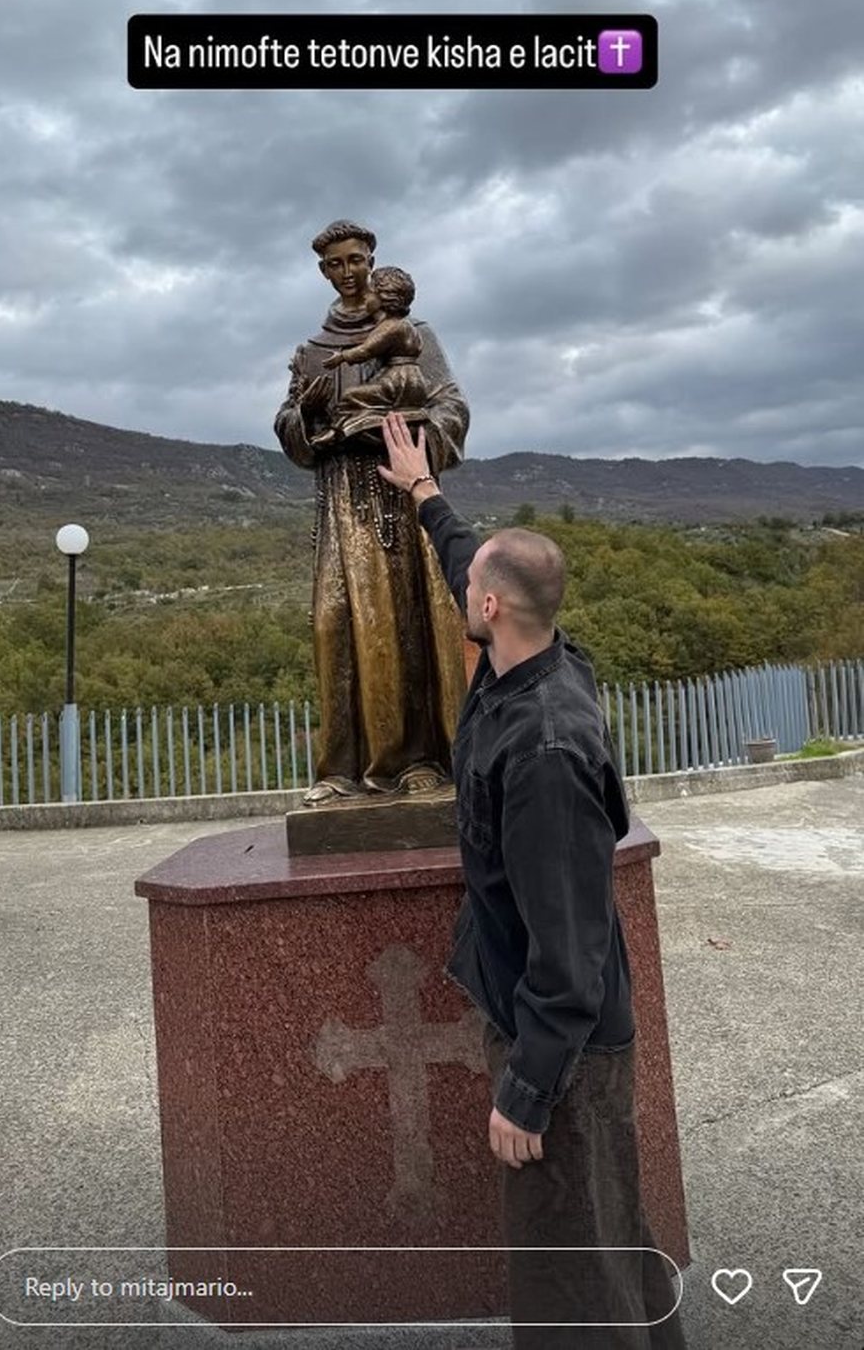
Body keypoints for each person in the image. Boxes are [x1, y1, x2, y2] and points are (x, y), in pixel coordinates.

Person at [377, 410, 687, 1350]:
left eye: (472, 589)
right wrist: (424, 491)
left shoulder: (545, 747)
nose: (463, 590)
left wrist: (527, 1087)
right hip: (557, 1023)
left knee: (567, 1263)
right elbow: (469, 558)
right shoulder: (532, 655)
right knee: (606, 1227)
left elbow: (571, 943)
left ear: (492, 609)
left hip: (567, 1045)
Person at [274, 221, 469, 806]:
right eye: (335, 264)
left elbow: (451, 405)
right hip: (340, 502)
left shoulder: (413, 333)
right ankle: (342, 770)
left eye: (356, 259)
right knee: (334, 625)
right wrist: (305, 415)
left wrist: (405, 431)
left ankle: (418, 760)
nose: (348, 272)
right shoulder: (311, 351)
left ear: (371, 261)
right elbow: (289, 426)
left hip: (401, 496)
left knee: (404, 623)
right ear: (323, 271)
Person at [313, 265, 430, 446]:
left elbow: (366, 350)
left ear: (385, 298)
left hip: (398, 382)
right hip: (413, 380)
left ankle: (337, 431)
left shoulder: (392, 326)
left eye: (370, 293)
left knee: (351, 396)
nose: (365, 297)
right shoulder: (406, 326)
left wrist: (342, 357)